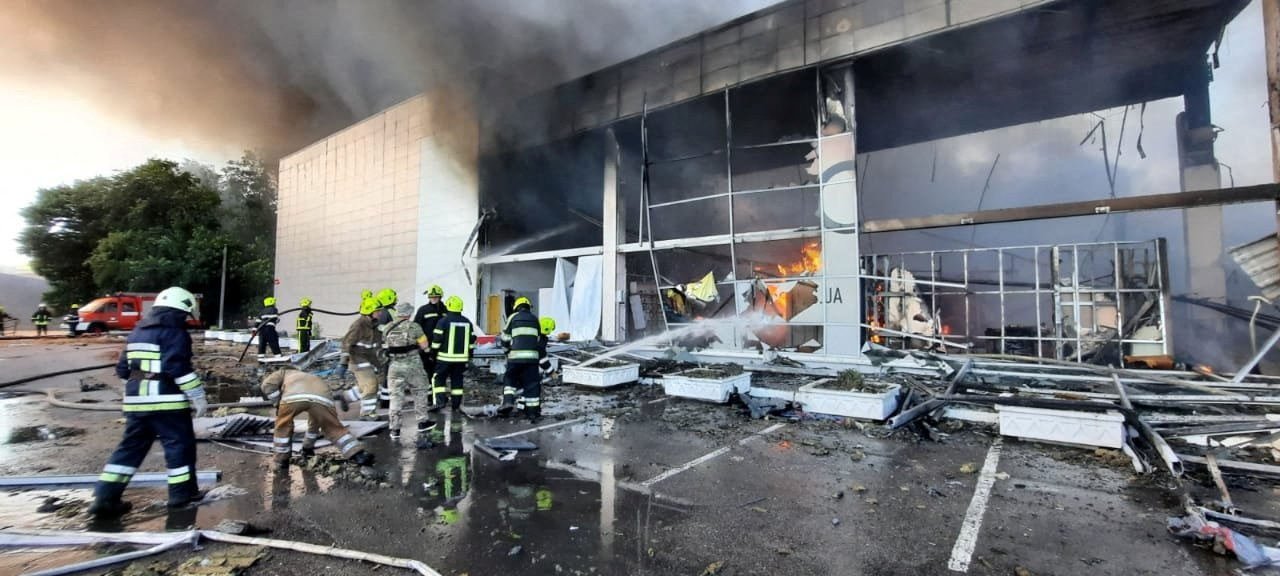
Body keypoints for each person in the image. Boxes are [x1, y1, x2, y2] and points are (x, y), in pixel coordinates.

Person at [89, 286, 206, 517]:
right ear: (181, 310)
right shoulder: (175, 332)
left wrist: (146, 375)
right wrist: (197, 394)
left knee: (129, 449)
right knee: (178, 446)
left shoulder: (137, 332)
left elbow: (123, 370)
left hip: (135, 403)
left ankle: (105, 497)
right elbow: (177, 368)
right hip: (167, 403)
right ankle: (182, 495)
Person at [260, 367, 373, 469]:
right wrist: (307, 448)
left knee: (283, 426)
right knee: (333, 427)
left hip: (293, 396)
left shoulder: (282, 372)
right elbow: (314, 424)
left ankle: (282, 461)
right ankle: (358, 455)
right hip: (323, 397)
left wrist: (277, 403)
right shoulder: (308, 376)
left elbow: (267, 385)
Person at [384, 302, 437, 446]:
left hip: (394, 367)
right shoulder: (414, 327)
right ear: (408, 313)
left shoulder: (388, 327)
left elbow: (385, 346)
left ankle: (394, 429)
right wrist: (430, 355)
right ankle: (422, 422)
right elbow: (424, 345)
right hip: (413, 365)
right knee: (420, 391)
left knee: (395, 397)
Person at [430, 295, 475, 412]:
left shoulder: (443, 321)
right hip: (461, 360)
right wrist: (469, 356)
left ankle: (440, 403)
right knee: (457, 381)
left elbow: (436, 341)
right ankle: (456, 405)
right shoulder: (467, 322)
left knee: (438, 379)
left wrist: (432, 354)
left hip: (444, 359)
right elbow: (471, 343)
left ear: (449, 306)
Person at [339, 297, 383, 419]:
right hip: (358, 360)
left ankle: (345, 397)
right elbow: (346, 343)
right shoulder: (359, 325)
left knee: (366, 386)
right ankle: (367, 414)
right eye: (377, 311)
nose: (380, 313)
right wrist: (343, 363)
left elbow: (372, 347)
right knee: (371, 384)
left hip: (368, 359)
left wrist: (378, 364)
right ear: (370, 312)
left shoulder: (373, 325)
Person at [498, 297, 540, 419]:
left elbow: (505, 337)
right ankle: (532, 412)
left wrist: (506, 351)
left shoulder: (513, 317)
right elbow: (537, 339)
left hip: (516, 357)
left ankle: (508, 401)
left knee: (510, 378)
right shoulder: (535, 319)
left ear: (516, 307)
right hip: (532, 358)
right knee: (531, 384)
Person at [414, 285, 446, 381]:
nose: (433, 299)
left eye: (435, 297)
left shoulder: (445, 310)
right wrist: (420, 345)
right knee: (427, 369)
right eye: (431, 297)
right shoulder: (423, 310)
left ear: (440, 297)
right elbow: (416, 327)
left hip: (442, 346)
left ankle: (436, 388)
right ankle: (430, 391)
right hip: (427, 346)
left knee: (440, 370)